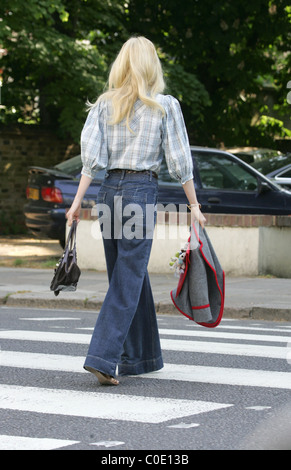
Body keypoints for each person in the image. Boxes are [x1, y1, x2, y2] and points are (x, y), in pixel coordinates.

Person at [66, 36, 206, 385]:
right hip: (139, 193)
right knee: (128, 278)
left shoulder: (104, 105)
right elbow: (179, 161)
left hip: (109, 193)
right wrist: (194, 205)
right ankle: (102, 356)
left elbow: (91, 161)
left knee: (128, 275)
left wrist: (75, 203)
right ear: (151, 65)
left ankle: (142, 356)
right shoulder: (164, 106)